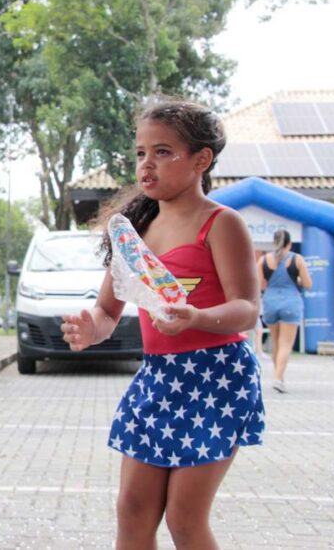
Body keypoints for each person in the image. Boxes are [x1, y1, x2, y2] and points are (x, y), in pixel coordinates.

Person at [61, 98, 265, 549]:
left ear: (201, 160)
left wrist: (197, 317)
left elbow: (248, 307)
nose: (146, 164)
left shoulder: (221, 223)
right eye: (140, 153)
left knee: (184, 519)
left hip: (216, 378)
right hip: (159, 379)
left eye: (163, 152)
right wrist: (88, 328)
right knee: (132, 512)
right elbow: (107, 312)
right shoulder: (133, 230)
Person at [257, 229, 313, 392]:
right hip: (291, 301)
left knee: (275, 342)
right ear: (289, 243)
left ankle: (278, 376)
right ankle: (277, 378)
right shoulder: (297, 259)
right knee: (286, 344)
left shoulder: (263, 260)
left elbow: (259, 285)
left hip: (270, 301)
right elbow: (308, 283)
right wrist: (297, 280)